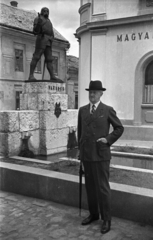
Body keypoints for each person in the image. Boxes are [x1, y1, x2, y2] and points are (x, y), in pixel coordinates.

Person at [77, 80, 124, 234]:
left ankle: (107, 219)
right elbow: (80, 133)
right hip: (87, 156)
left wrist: (108, 140)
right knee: (90, 187)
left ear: (101, 94)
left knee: (103, 188)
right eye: (90, 92)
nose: (92, 94)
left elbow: (119, 128)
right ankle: (94, 214)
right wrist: (80, 153)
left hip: (101, 154)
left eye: (95, 92)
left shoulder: (107, 110)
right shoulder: (82, 111)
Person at [28, 7, 63, 83]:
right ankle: (31, 75)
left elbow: (51, 32)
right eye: (44, 11)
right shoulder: (38, 18)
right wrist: (39, 24)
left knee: (49, 59)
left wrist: (52, 38)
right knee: (36, 57)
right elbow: (35, 31)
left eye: (47, 11)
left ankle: (52, 76)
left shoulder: (49, 21)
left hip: (49, 41)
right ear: (41, 12)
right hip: (41, 39)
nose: (46, 12)